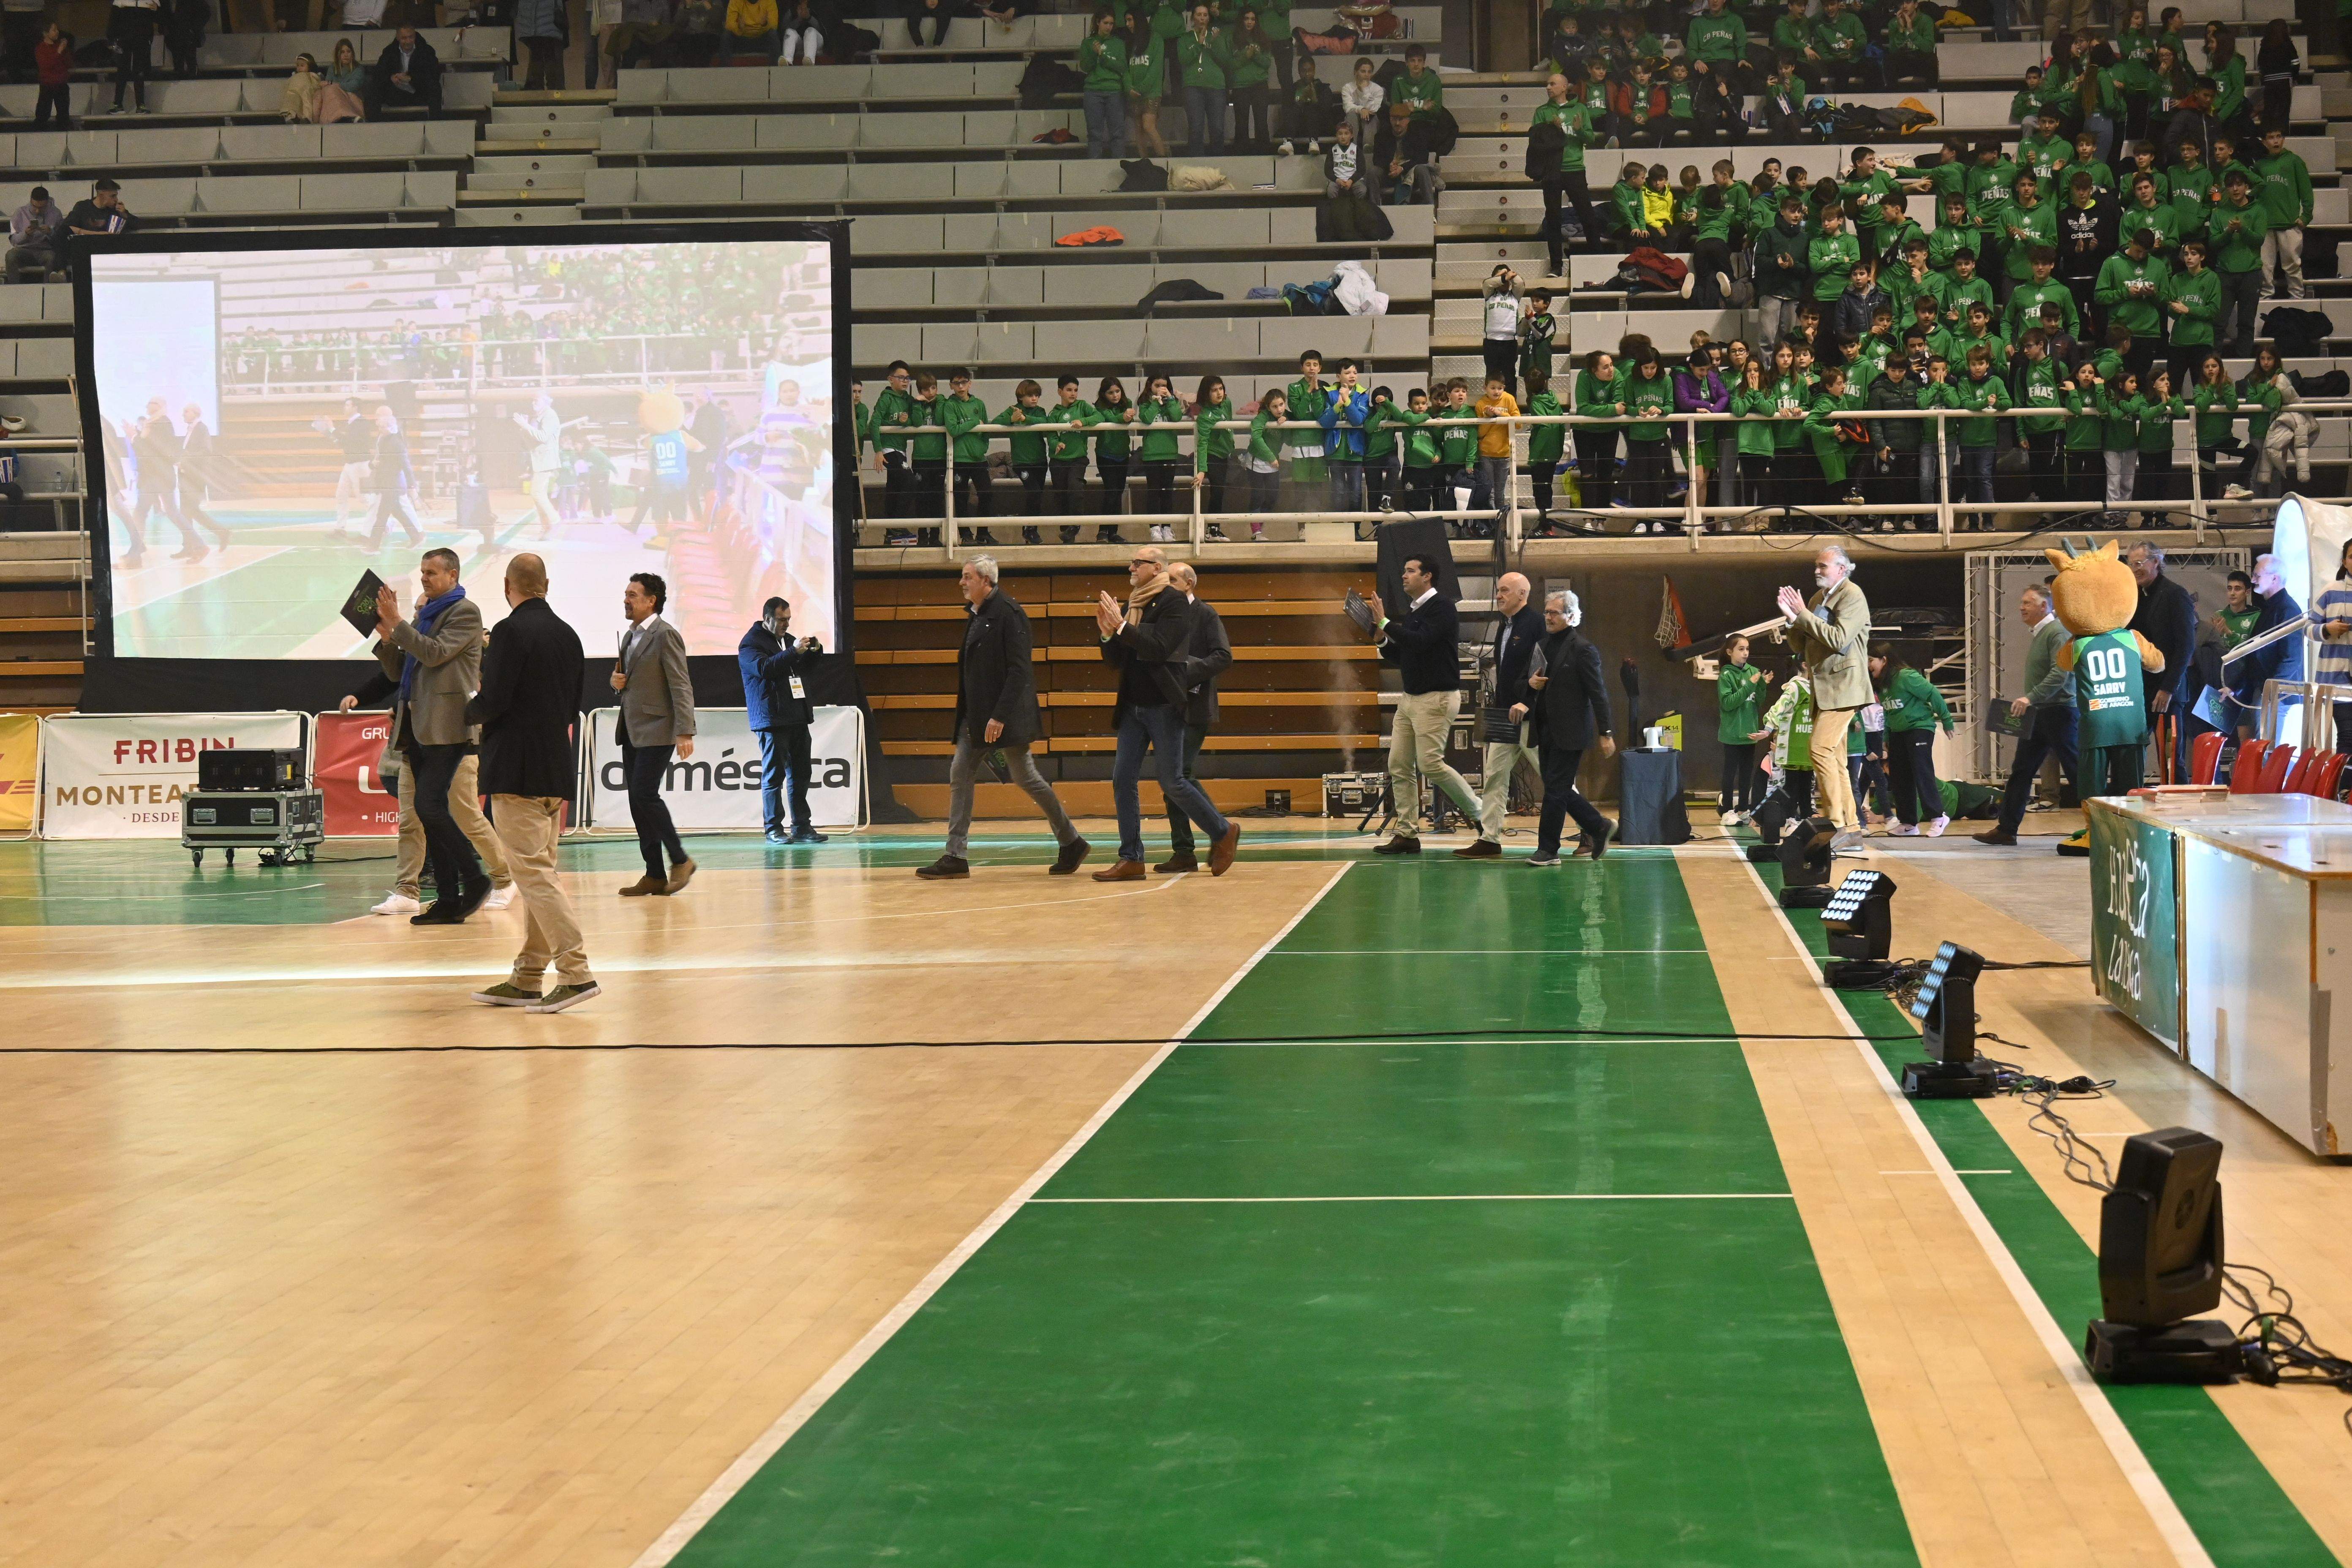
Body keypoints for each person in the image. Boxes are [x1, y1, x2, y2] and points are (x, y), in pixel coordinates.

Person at [461, 555, 596, 1013]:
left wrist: (463, 711)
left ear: (507, 586)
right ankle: (528, 977)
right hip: (555, 767)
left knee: (533, 875)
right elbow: (570, 705)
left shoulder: (509, 632)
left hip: (516, 768)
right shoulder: (570, 635)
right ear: (546, 585)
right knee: (541, 871)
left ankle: (576, 973)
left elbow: (495, 699)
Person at [919, 556, 1090, 879]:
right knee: (962, 773)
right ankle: (956, 854)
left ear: (986, 580)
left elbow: (1019, 671)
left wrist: (999, 716)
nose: (961, 582)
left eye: (967, 577)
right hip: (977, 718)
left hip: (1002, 718)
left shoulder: (1009, 614)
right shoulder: (978, 614)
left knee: (1026, 778)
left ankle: (1071, 840)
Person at [1092, 544, 1240, 879]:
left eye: (1138, 563)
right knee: (1122, 779)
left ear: (1157, 568)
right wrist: (1106, 636)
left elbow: (1159, 647)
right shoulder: (1133, 605)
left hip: (1163, 705)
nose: (1131, 568)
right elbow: (1117, 661)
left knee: (1173, 781)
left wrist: (1121, 629)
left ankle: (1222, 831)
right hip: (1133, 705)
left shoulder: (1175, 604)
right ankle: (1131, 857)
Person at [372, 549, 492, 924]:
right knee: (427, 810)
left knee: (429, 806)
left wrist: (400, 626)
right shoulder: (425, 614)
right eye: (422, 572)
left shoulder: (465, 612)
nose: (424, 578)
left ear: (452, 575)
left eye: (432, 573)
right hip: (417, 724)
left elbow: (436, 654)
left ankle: (475, 878)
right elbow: (398, 672)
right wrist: (388, 637)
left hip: (448, 724)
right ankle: (446, 898)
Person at [1368, 553, 1484, 853]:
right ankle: (1407, 834)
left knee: (1431, 765)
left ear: (1427, 576)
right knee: (1399, 765)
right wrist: (1382, 638)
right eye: (1404, 571)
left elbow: (1419, 642)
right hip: (1411, 699)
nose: (1404, 576)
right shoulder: (1415, 611)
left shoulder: (1442, 607)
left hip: (1436, 698)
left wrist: (1384, 620)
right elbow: (1404, 653)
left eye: (1410, 571)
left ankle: (1482, 814)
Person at [1777, 544, 1873, 850]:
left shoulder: (1853, 595)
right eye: (1816, 566)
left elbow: (1838, 639)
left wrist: (1803, 614)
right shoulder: (1819, 598)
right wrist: (1793, 618)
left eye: (1823, 566)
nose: (1817, 571)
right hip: (1825, 690)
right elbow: (1800, 644)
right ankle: (1853, 830)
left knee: (1818, 750)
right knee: (1836, 760)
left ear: (1842, 569)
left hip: (1845, 688)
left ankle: (1837, 823)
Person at [611, 571, 698, 897]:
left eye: (633, 595)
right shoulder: (630, 636)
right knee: (637, 802)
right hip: (632, 729)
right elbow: (625, 679)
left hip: (659, 729)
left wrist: (685, 730)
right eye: (626, 594)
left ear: (652, 601)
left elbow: (680, 684)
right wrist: (615, 682)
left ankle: (680, 859)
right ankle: (654, 874)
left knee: (645, 795)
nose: (627, 600)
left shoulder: (665, 635)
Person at [1975, 584, 2080, 846]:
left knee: (2078, 772)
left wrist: (2029, 697)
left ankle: (2104, 830)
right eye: (2022, 603)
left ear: (2044, 606)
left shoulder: (2057, 632)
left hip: (2059, 711)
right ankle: (2006, 830)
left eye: (2027, 603)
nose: (2021, 608)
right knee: (2021, 772)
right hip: (2041, 713)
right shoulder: (2043, 633)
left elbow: (2061, 674)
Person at [1517, 588, 1616, 864]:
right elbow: (1526, 683)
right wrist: (1529, 686)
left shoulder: (1583, 650)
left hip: (1571, 733)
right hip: (1544, 730)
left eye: (1554, 613)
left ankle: (1548, 850)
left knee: (1556, 790)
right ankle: (1598, 826)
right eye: (1547, 612)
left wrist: (1606, 733)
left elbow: (1599, 694)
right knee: (1556, 787)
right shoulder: (1541, 646)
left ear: (1571, 617)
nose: (1548, 617)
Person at [1460, 572, 1543, 857]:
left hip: (1529, 718)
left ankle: (1591, 830)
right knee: (1495, 775)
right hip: (1505, 717)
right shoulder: (1504, 626)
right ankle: (1490, 839)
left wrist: (1529, 703)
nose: (1499, 595)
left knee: (1555, 777)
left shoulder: (1536, 624)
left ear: (1523, 594)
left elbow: (1544, 671)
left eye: (1505, 591)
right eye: (1498, 590)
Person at [1158, 562, 1233, 873]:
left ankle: (1221, 834)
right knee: (1173, 780)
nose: (1167, 586)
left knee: (1178, 776)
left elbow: (1223, 656)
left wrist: (1187, 672)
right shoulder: (1163, 614)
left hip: (1195, 707)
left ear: (1189, 584)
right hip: (1166, 708)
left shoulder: (1206, 614)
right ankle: (1187, 850)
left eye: (1172, 580)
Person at [738, 596, 827, 846]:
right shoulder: (750, 644)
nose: (786, 624)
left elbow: (803, 669)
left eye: (788, 619)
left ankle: (802, 827)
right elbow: (765, 669)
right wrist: (793, 651)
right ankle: (773, 829)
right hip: (772, 719)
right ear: (767, 618)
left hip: (796, 716)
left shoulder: (787, 640)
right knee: (774, 776)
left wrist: (814, 652)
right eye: (781, 620)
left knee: (801, 774)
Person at [2125, 541, 2196, 778]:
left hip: (2169, 691)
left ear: (2156, 562)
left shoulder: (2176, 595)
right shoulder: (2134, 597)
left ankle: (2179, 811)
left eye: (2138, 563)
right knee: (2131, 750)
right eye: (2130, 564)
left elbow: (2186, 647)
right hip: (2141, 689)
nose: (2134, 569)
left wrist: (2168, 689)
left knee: (2171, 757)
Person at [1873, 644, 1953, 836]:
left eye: (1871, 661)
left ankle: (1938, 817)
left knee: (1921, 771)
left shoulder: (1907, 677)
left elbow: (1933, 693)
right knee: (1900, 777)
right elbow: (1888, 711)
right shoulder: (1883, 685)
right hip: (1898, 732)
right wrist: (1886, 736)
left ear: (1884, 660)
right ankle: (1909, 823)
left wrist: (1947, 720)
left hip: (1919, 728)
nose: (1869, 665)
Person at [2225, 553, 2303, 740]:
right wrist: (2235, 687)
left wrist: (2273, 689)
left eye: (2257, 576)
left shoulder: (2287, 609)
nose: (2253, 580)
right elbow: (2254, 654)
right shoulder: (2271, 608)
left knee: (2267, 750)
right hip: (2268, 690)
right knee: (2262, 749)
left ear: (2275, 578)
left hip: (2275, 693)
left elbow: (2292, 658)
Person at [1717, 633, 1772, 823]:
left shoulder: (1753, 671)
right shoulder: (1726, 674)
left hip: (1750, 733)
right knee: (1730, 772)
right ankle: (1726, 811)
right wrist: (1750, 685)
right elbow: (1728, 703)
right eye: (1741, 649)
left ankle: (1743, 809)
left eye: (1748, 649)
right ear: (1730, 652)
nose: (1746, 653)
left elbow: (1759, 702)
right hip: (1732, 733)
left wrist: (1762, 686)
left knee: (1747, 773)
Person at [2315, 540, 2352, 753]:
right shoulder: (2330, 591)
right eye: (2351, 556)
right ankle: (2343, 786)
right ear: (2344, 561)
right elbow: (2308, 628)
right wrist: (2327, 630)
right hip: (2336, 680)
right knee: (2347, 736)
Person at [367, 26, 443, 119]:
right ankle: (373, 126)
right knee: (373, 87)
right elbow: (378, 73)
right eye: (404, 38)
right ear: (398, 38)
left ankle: (435, 125)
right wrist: (391, 78)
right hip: (396, 94)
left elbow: (434, 74)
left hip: (419, 93)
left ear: (415, 36)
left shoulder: (426, 51)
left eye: (411, 37)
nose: (408, 41)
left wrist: (411, 79)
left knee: (435, 88)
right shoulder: (389, 51)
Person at [7, 187, 64, 282]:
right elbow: (13, 240)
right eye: (35, 207)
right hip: (24, 249)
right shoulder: (20, 213)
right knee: (11, 255)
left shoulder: (56, 214)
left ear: (47, 203)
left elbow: (61, 239)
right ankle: (14, 287)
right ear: (31, 201)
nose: (37, 211)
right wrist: (25, 234)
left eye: (42, 208)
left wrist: (51, 232)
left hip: (45, 250)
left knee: (52, 258)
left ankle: (49, 288)